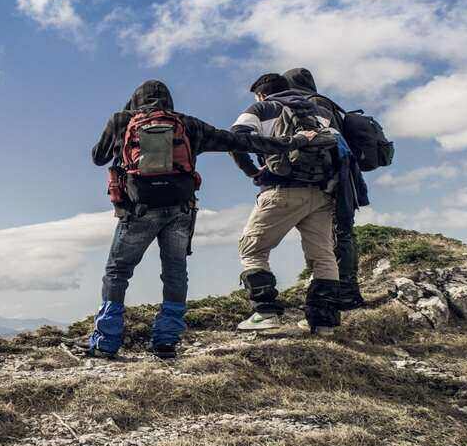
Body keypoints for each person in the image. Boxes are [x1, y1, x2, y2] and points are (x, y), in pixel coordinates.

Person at [86, 79, 313, 360]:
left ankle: (106, 342)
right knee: (175, 272)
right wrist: (295, 142)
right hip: (181, 210)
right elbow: (239, 140)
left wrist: (124, 116)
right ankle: (166, 342)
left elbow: (98, 157)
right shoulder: (188, 124)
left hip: (138, 210)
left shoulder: (123, 121)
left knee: (118, 272)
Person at [230, 73, 343, 335]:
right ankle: (323, 322)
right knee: (323, 256)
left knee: (252, 250)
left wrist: (253, 172)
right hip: (322, 193)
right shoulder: (319, 111)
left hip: (282, 190)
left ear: (261, 94)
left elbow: (236, 139)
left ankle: (265, 313)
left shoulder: (262, 108)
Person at [282, 67, 370, 310]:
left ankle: (345, 294)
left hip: (333, 179)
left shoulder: (312, 104)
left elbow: (323, 141)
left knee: (336, 234)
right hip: (344, 176)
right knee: (341, 233)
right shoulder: (326, 102)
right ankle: (347, 292)